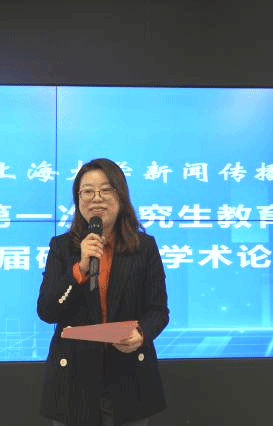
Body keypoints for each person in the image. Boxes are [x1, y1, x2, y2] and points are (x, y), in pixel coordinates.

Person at [37, 158, 170, 426]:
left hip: (128, 377)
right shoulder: (62, 248)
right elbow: (47, 310)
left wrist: (141, 334)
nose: (96, 198)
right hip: (74, 380)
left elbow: (158, 311)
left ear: (121, 196)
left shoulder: (144, 247)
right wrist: (80, 269)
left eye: (106, 190)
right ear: (78, 199)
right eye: (87, 191)